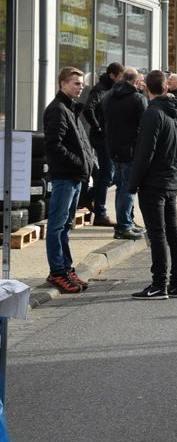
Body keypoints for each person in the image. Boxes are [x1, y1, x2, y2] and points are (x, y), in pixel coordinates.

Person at [129, 70, 177, 299]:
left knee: (158, 234)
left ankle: (159, 284)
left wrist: (133, 183)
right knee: (172, 232)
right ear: (166, 87)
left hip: (154, 182)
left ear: (146, 89)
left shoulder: (153, 113)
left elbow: (145, 152)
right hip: (171, 179)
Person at [43, 67, 96, 294]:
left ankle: (66, 268)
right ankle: (57, 272)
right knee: (56, 226)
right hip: (65, 177)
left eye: (81, 83)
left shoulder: (71, 109)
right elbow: (55, 146)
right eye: (76, 83)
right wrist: (78, 163)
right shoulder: (57, 110)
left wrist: (87, 165)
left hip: (75, 177)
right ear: (62, 84)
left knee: (65, 226)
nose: (80, 86)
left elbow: (81, 143)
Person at [103, 66, 147, 240]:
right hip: (130, 149)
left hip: (113, 147)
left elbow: (103, 119)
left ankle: (126, 222)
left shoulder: (108, 96)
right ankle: (124, 225)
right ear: (136, 81)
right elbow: (144, 126)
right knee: (127, 188)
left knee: (121, 187)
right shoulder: (137, 98)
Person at [83, 62, 123, 227]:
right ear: (112, 75)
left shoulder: (110, 89)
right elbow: (88, 109)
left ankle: (85, 198)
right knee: (108, 175)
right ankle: (100, 213)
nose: (121, 80)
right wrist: (97, 126)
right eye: (120, 76)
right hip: (101, 138)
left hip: (107, 137)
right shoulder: (100, 89)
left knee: (108, 175)